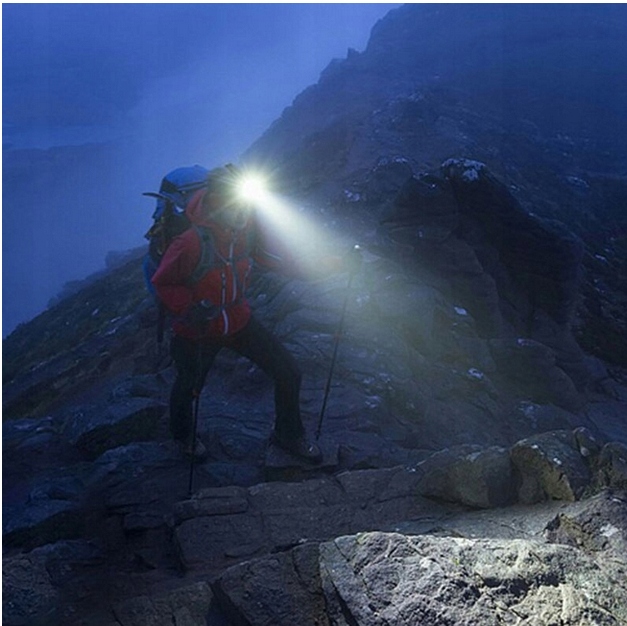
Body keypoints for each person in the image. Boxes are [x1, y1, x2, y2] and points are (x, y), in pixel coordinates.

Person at [150, 165, 324, 463]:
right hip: (199, 328)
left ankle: (288, 434)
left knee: (288, 372)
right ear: (218, 201)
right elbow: (163, 282)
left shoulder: (243, 229)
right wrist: (190, 309)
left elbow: (269, 258)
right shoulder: (189, 241)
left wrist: (324, 266)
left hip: (237, 319)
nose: (244, 211)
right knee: (190, 387)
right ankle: (182, 437)